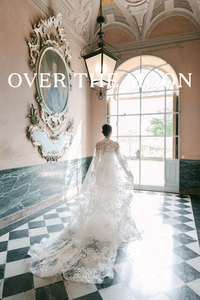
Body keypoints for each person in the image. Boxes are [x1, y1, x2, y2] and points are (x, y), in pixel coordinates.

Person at [28, 124, 141, 284]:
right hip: (112, 173)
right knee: (112, 197)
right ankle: (109, 223)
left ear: (102, 132)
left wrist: (94, 173)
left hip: (102, 172)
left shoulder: (98, 144)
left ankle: (100, 221)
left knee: (100, 197)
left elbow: (96, 161)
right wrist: (128, 172)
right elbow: (120, 160)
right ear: (111, 132)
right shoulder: (115, 144)